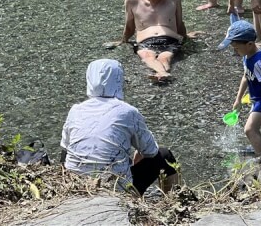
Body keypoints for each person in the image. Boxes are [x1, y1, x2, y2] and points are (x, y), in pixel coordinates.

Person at [61, 59, 179, 195]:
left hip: (76, 186)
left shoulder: (76, 110)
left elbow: (64, 153)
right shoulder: (127, 111)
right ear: (119, 81)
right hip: (116, 190)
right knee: (164, 155)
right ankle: (172, 203)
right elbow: (151, 151)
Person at [219, 20, 261, 156]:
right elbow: (246, 76)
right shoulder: (247, 55)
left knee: (250, 129)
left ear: (249, 44)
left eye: (236, 48)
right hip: (257, 98)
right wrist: (238, 99)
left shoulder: (258, 62)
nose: (235, 51)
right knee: (254, 128)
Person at [122, 0, 187, 81]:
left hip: (170, 41)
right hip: (145, 42)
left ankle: (161, 73)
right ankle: (163, 73)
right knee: (147, 56)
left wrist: (187, 38)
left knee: (165, 58)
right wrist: (123, 41)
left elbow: (179, 23)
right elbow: (129, 28)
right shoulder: (133, 0)